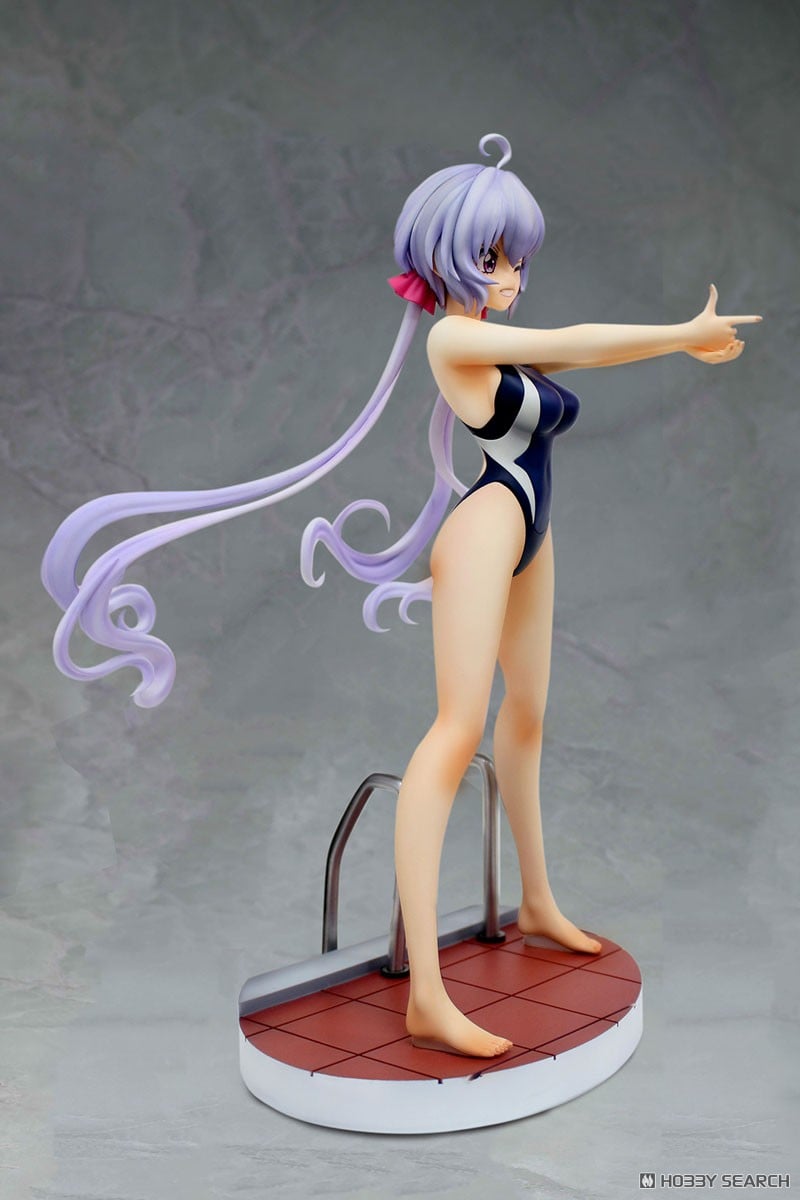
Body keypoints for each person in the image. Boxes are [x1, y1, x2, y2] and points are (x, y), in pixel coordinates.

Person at [41, 133, 762, 1059]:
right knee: (455, 731)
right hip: (487, 530)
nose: (511, 275)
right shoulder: (455, 338)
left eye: (518, 258)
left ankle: (538, 901)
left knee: (529, 715)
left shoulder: (496, 340)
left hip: (531, 531)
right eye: (495, 256)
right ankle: (426, 991)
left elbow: (566, 356)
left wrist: (669, 342)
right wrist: (678, 335)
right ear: (451, 256)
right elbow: (573, 342)